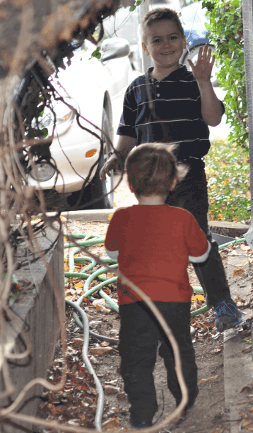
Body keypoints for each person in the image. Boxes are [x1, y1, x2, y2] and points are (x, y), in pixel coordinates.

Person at [100, 7, 242, 332]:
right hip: (150, 182)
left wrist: (205, 82)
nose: (166, 45)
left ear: (183, 40)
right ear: (145, 45)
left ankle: (222, 303)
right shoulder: (136, 90)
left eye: (173, 37)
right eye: (157, 40)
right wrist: (117, 159)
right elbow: (127, 136)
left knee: (198, 239)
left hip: (189, 174)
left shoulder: (194, 81)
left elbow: (213, 118)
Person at [105, 143, 210, 428]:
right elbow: (201, 255)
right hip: (174, 302)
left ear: (129, 182)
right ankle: (185, 400)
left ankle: (142, 410)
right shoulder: (183, 219)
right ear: (174, 181)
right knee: (178, 350)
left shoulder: (122, 218)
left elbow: (111, 253)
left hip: (134, 303)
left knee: (136, 356)